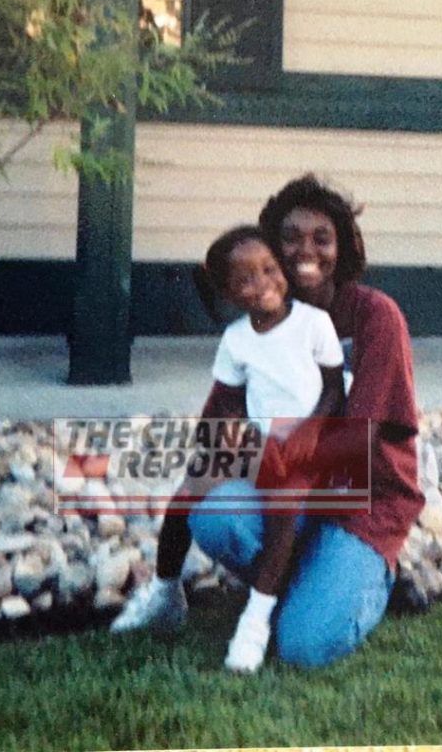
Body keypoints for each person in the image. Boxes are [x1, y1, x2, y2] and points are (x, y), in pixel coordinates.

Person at [113, 175, 425, 670]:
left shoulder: (375, 318)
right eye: (290, 238)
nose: (306, 250)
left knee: (303, 644)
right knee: (213, 513)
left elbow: (354, 443)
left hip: (360, 504)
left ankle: (376, 575)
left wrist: (264, 450)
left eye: (322, 238)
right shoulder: (258, 327)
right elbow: (215, 429)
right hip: (287, 490)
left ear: (341, 247)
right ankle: (296, 580)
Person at [111, 224, 346, 673]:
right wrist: (224, 440)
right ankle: (164, 591)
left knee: (282, 501)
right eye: (247, 280)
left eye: (269, 269)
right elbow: (228, 402)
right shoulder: (237, 340)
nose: (264, 284)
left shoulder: (314, 325)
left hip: (308, 446)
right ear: (229, 293)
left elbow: (334, 391)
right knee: (187, 496)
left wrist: (310, 432)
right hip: (259, 444)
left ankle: (255, 619)